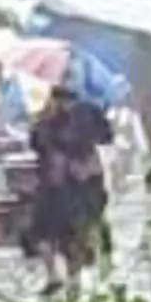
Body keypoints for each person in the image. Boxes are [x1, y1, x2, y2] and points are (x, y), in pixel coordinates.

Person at [21, 85, 115, 282]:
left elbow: (36, 143)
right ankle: (64, 279)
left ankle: (62, 278)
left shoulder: (73, 119)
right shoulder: (66, 119)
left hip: (69, 189)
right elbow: (106, 138)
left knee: (63, 238)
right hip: (67, 188)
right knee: (60, 237)